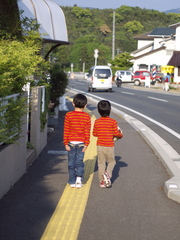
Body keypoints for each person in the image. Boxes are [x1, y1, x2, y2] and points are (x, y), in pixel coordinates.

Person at [92, 100, 123, 188]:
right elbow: (116, 133)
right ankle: (107, 174)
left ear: (99, 111)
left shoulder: (97, 122)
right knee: (112, 162)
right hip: (109, 145)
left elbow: (94, 134)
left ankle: (102, 181)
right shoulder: (113, 122)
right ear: (110, 110)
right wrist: (121, 134)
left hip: (100, 145)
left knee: (101, 163)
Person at [63, 94, 91, 188]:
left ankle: (71, 180)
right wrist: (87, 144)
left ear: (73, 104)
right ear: (85, 105)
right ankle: (79, 179)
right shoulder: (87, 117)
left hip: (70, 143)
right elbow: (87, 131)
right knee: (79, 162)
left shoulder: (68, 115)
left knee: (71, 163)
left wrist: (65, 143)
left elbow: (66, 130)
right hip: (81, 144)